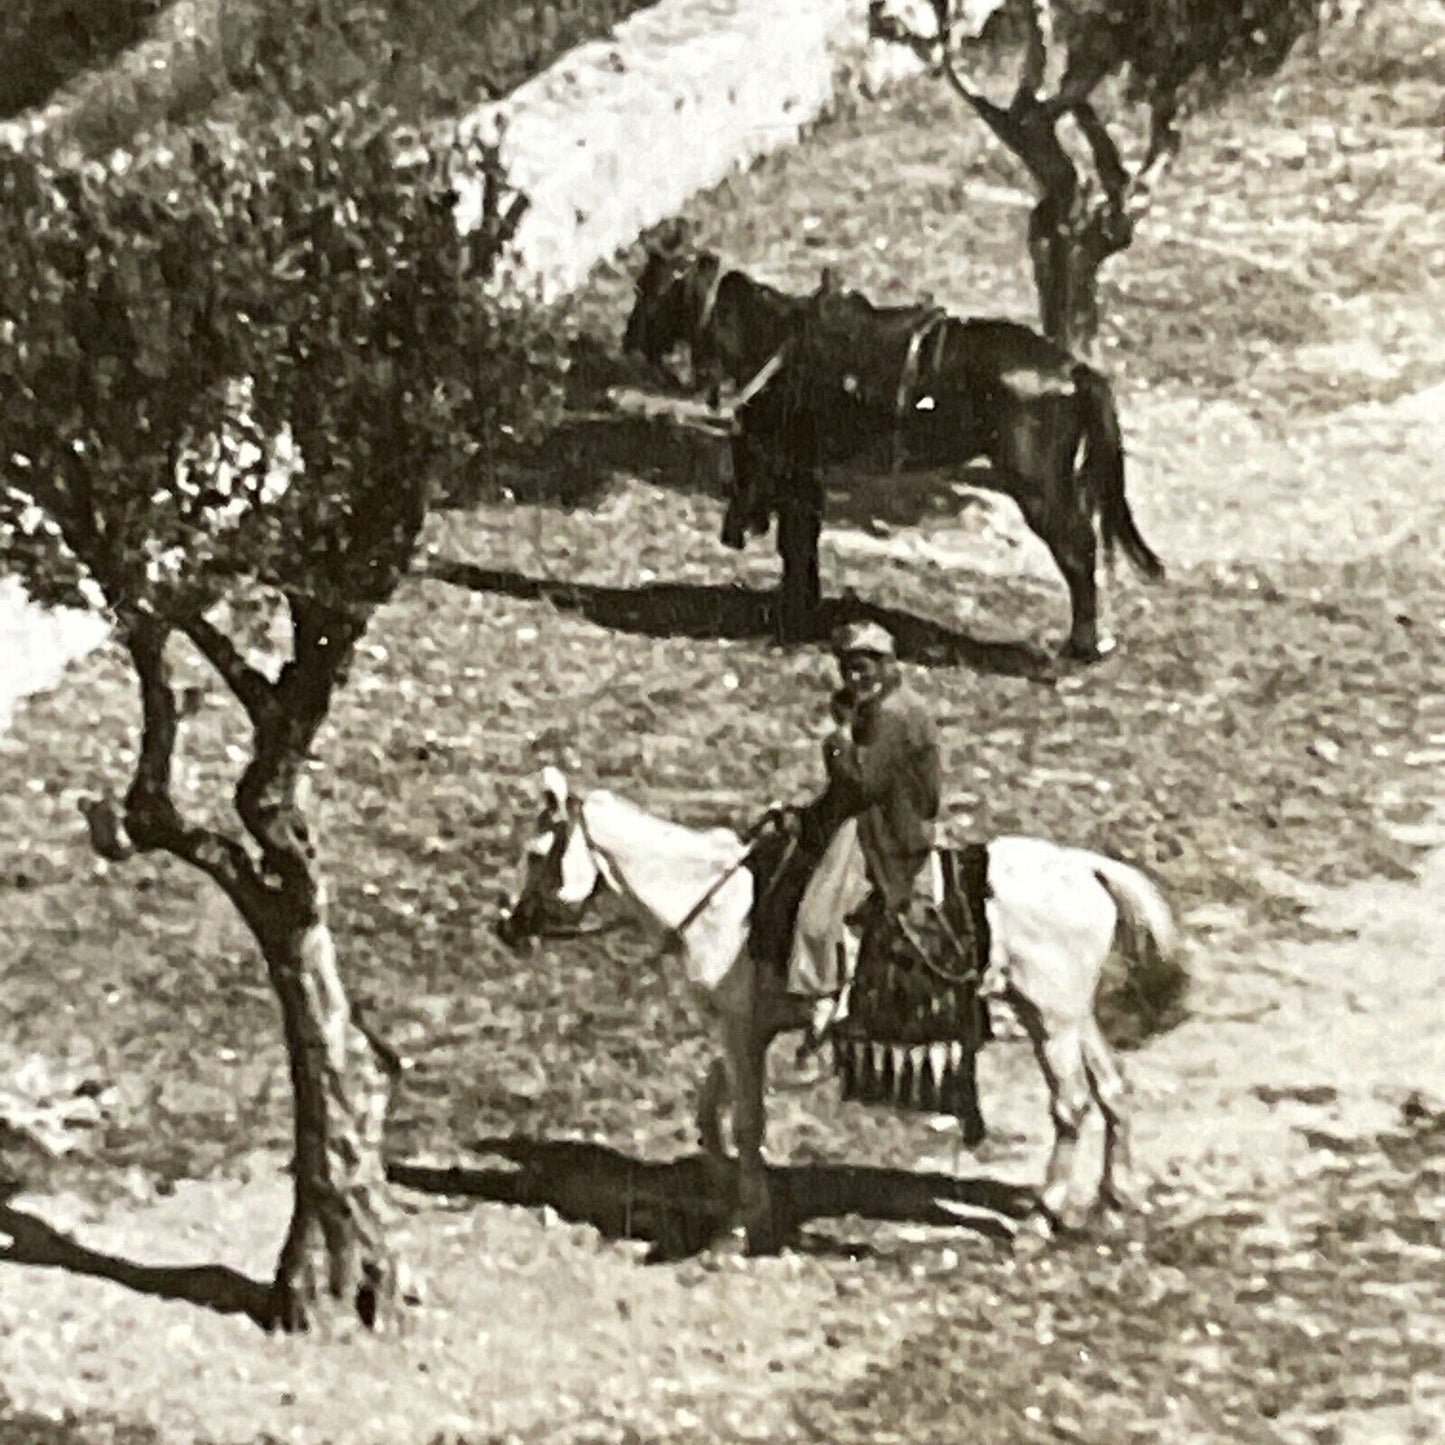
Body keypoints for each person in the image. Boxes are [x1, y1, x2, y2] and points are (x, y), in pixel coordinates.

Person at [781, 620, 943, 1017]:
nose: (854, 676)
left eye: (864, 667)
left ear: (887, 665)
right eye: (847, 667)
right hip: (877, 815)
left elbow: (863, 783)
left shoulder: (893, 714)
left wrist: (837, 738)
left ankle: (824, 995)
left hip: (887, 830)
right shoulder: (881, 706)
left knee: (817, 916)